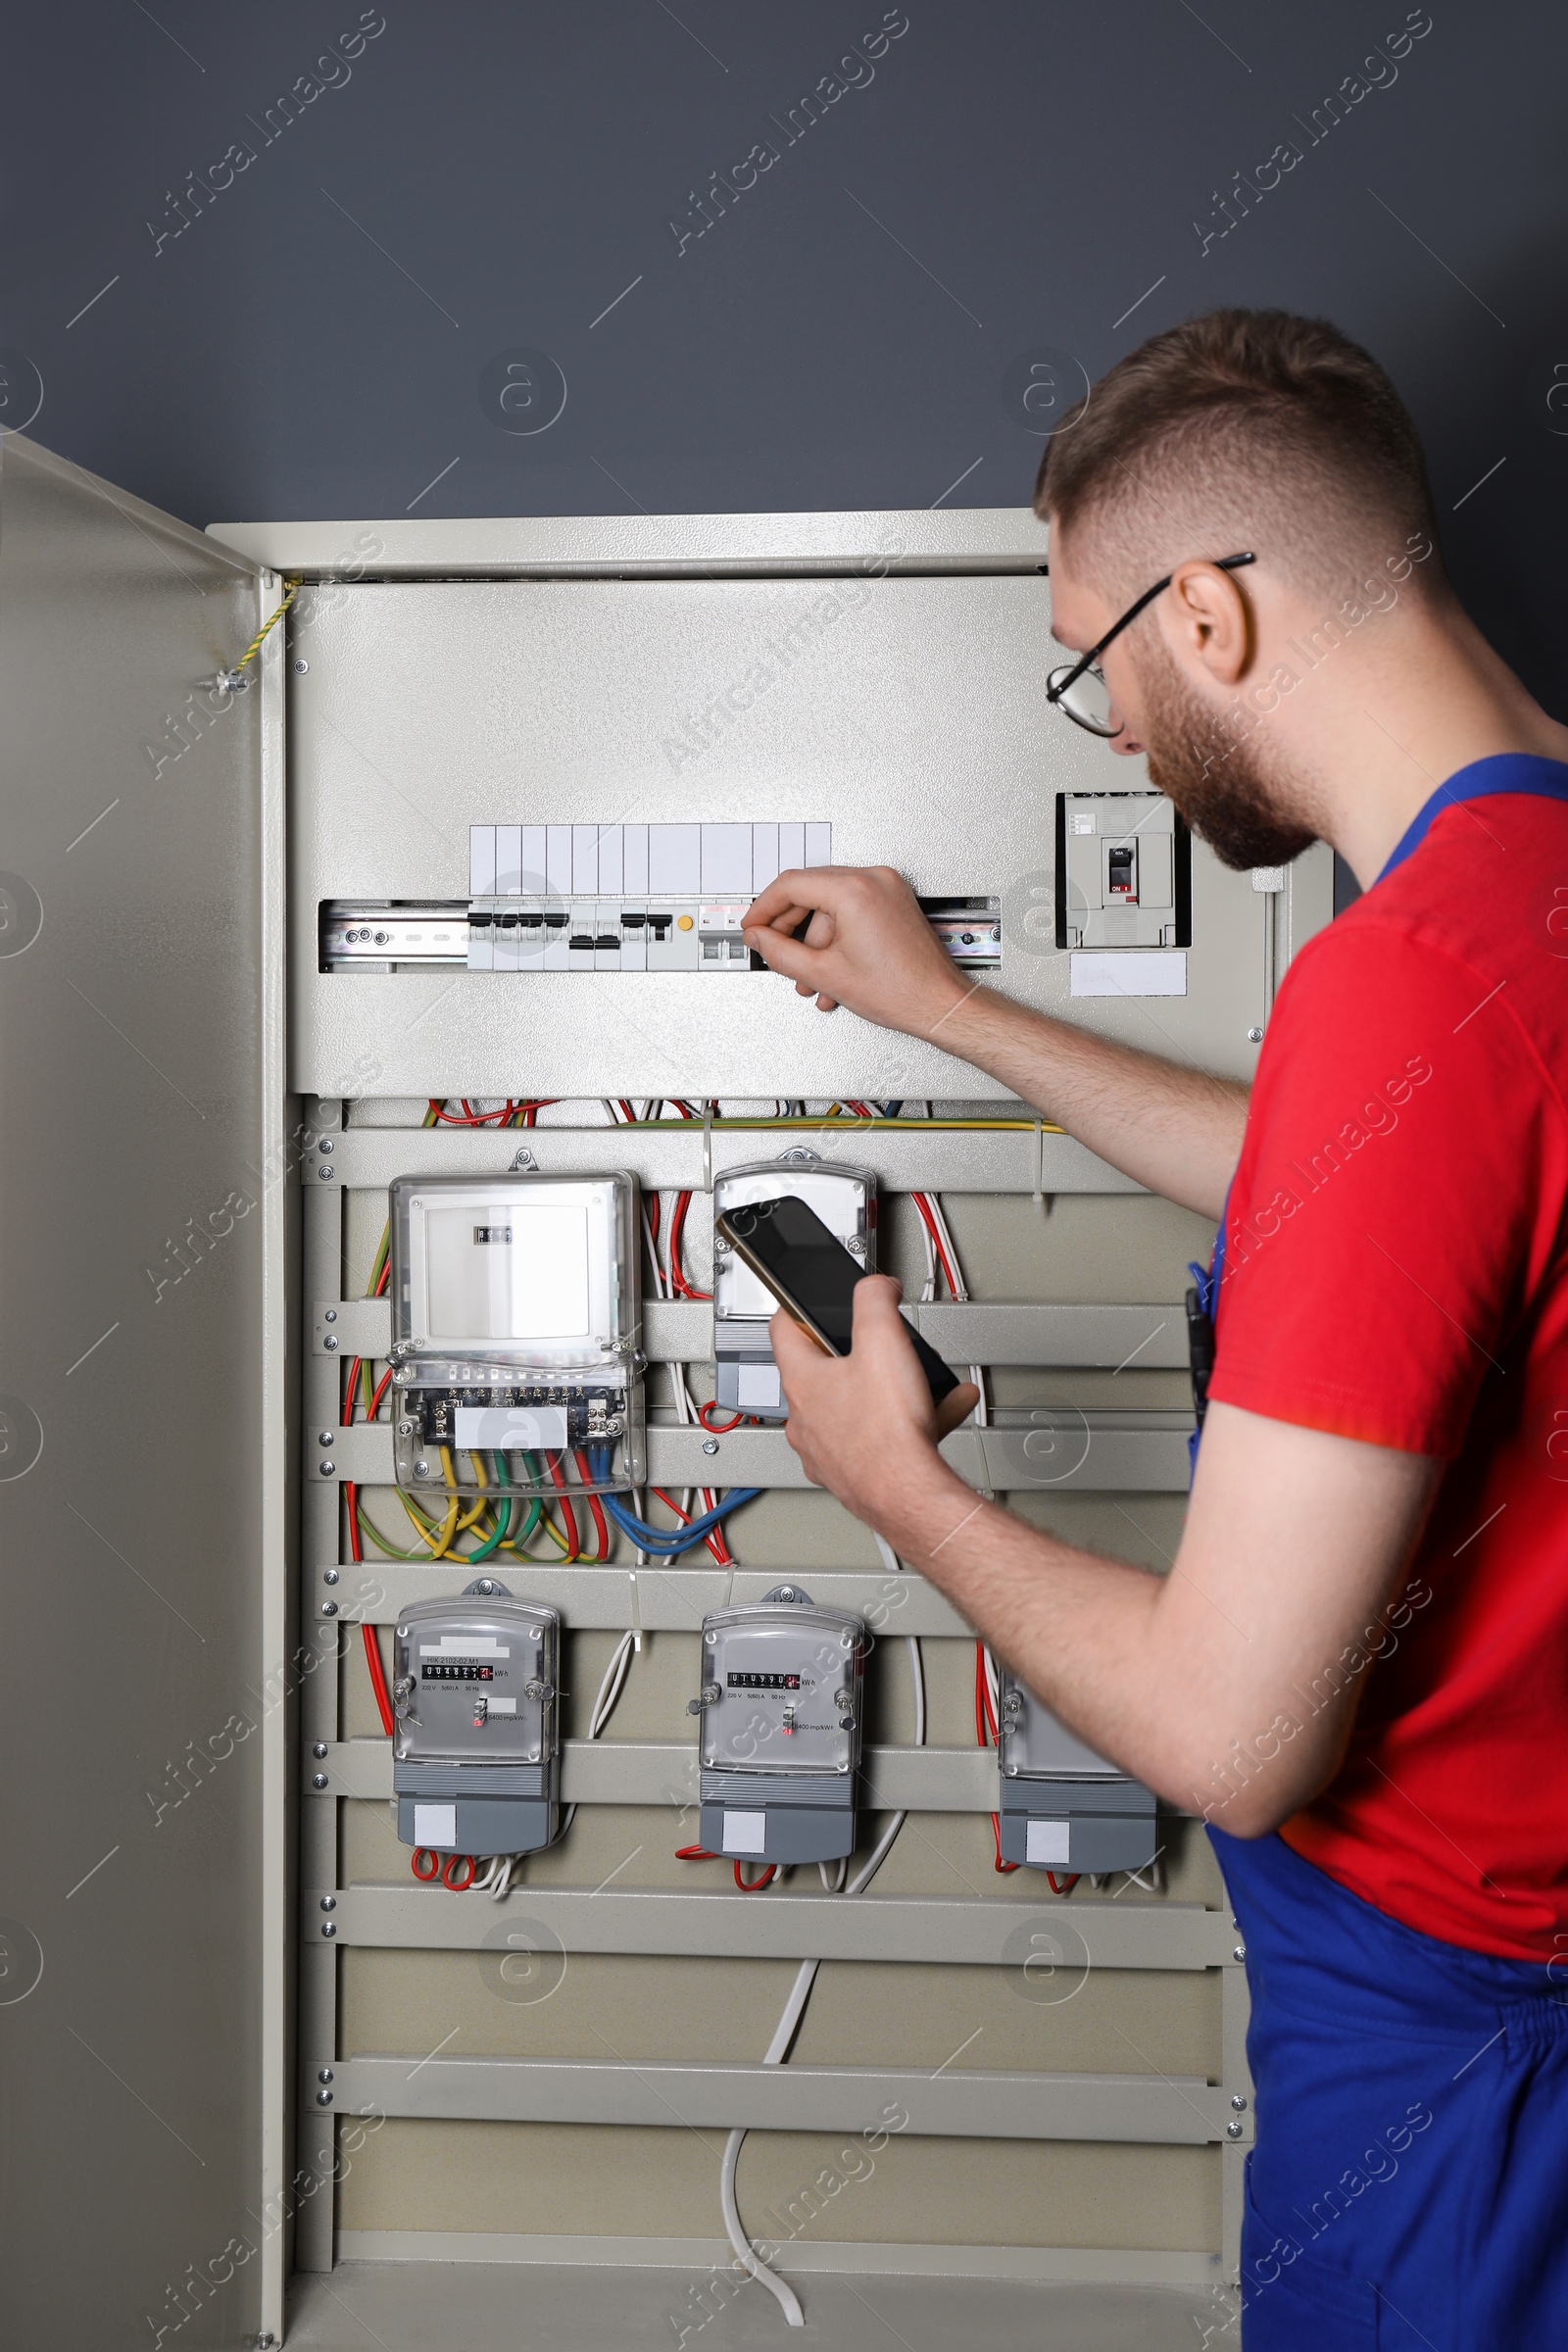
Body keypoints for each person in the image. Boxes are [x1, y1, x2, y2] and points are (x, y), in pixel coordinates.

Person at [741, 309, 1568, 2349]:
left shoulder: (1400, 984)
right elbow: (1393, 1190)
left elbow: (1228, 1734)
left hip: (1462, 2063)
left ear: (1199, 614)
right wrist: (944, 1013)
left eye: (1086, 655)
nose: (1106, 727)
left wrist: (890, 1482)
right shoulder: (1515, 911)